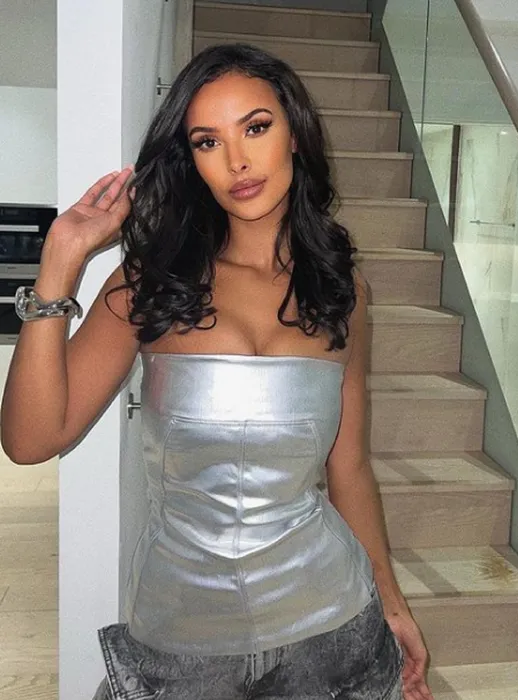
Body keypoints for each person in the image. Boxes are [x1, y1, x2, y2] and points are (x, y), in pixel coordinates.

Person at [0, 44, 434, 700]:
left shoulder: (342, 290)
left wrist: (392, 601)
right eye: (208, 141)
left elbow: (348, 469)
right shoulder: (151, 284)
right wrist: (61, 259)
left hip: (333, 627)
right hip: (182, 643)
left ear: (294, 133)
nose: (237, 161)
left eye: (255, 128)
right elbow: (30, 441)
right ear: (191, 160)